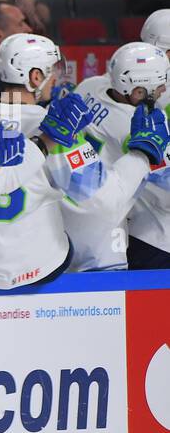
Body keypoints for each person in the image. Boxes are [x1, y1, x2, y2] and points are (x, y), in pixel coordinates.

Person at [0, 33, 93, 290]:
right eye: (51, 70)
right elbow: (89, 194)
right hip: (32, 266)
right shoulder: (50, 124)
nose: (55, 77)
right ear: (35, 77)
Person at [65, 42, 170, 271]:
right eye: (160, 84)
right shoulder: (141, 125)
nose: (164, 89)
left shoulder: (90, 86)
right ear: (138, 91)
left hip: (74, 210)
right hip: (133, 229)